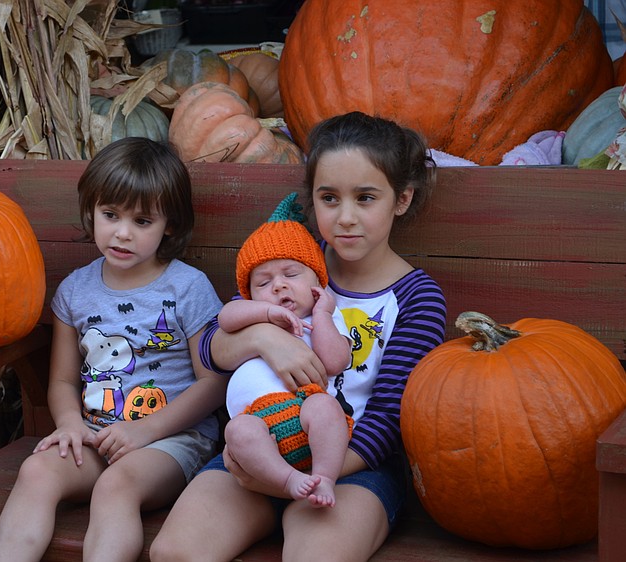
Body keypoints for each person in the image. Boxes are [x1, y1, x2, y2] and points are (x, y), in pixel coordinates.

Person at [150, 111, 447, 562]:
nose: (345, 217)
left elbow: (389, 418)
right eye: (330, 198)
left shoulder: (416, 297)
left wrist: (306, 475)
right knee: (175, 552)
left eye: (365, 198)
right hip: (257, 447)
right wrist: (266, 341)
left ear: (401, 199)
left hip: (351, 467)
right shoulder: (291, 263)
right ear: (312, 199)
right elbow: (211, 348)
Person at [0, 137, 227, 562]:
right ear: (92, 211)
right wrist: (69, 424)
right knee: (37, 471)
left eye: (141, 221)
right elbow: (63, 379)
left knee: (116, 486)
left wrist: (145, 431)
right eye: (110, 215)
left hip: (171, 441)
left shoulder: (187, 288)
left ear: (168, 225)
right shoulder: (75, 292)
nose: (122, 232)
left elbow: (213, 383)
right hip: (96, 436)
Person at [218, 192, 355, 508]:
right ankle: (288, 479)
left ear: (318, 282)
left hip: (305, 418)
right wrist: (265, 314)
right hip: (258, 425)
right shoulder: (251, 314)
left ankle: (324, 479)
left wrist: (321, 316)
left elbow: (335, 362)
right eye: (263, 283)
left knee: (325, 407)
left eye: (291, 275)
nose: (278, 286)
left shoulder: (327, 319)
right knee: (236, 430)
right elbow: (226, 318)